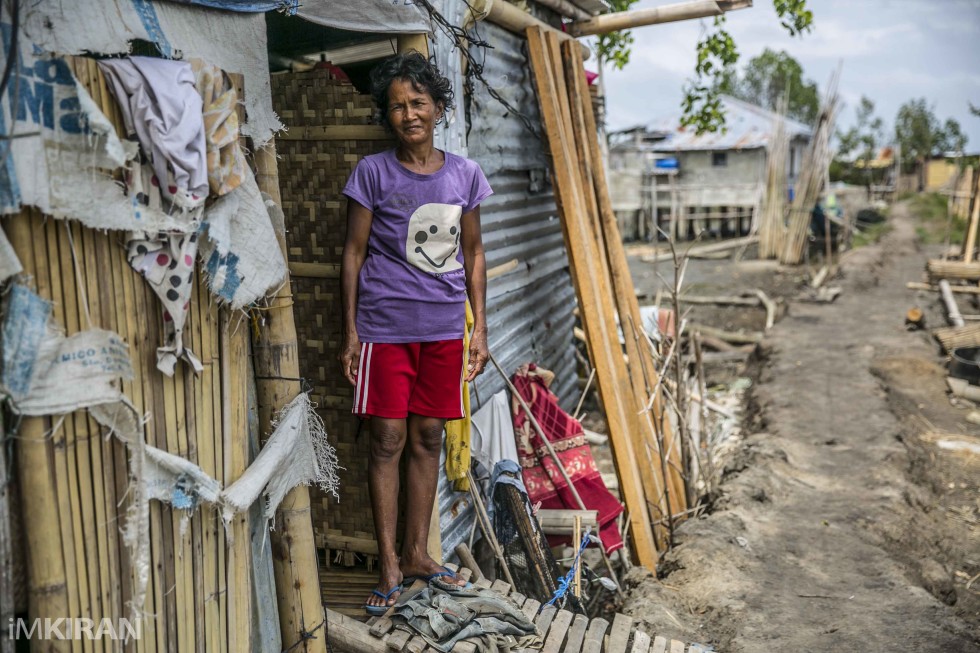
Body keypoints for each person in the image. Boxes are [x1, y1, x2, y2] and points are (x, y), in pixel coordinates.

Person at [339, 52, 492, 616]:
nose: (409, 115)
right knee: (386, 440)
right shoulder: (372, 173)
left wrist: (480, 331)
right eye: (398, 106)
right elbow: (352, 255)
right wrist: (351, 332)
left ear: (438, 107)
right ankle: (388, 563)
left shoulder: (465, 175)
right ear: (389, 116)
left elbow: (473, 254)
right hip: (384, 329)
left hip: (445, 329)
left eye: (418, 103)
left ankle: (419, 554)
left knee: (429, 437)